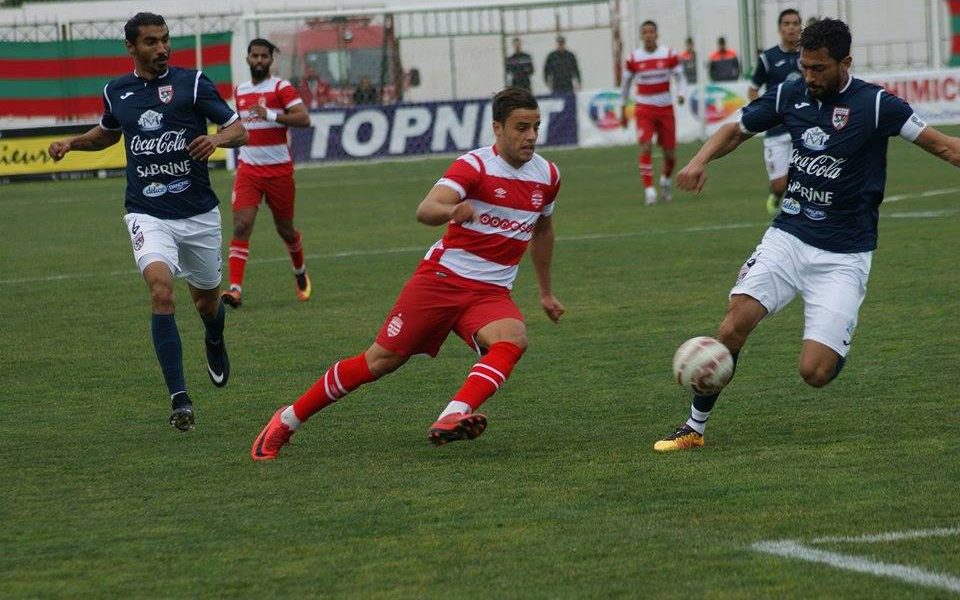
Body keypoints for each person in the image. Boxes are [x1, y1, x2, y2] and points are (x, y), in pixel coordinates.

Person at [653, 18, 960, 452]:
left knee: (815, 373)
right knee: (734, 323)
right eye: (804, 67)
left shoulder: (876, 106)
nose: (809, 77)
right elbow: (735, 129)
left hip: (845, 255)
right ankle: (693, 428)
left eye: (818, 68)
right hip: (789, 235)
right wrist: (699, 161)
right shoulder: (790, 92)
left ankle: (836, 332)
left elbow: (945, 146)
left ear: (844, 62)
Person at [251, 87, 565, 460]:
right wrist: (452, 211)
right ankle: (286, 420)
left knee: (513, 338)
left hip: (490, 293)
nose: (530, 136)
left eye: (535, 127)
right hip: (441, 281)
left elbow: (543, 231)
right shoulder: (474, 167)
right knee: (379, 362)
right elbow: (426, 208)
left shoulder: (547, 175)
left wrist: (545, 292)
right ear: (497, 128)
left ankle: (453, 415)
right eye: (521, 127)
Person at [47, 12, 247, 431]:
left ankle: (214, 336)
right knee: (161, 291)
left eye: (165, 40)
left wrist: (216, 138)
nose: (162, 48)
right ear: (131, 47)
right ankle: (180, 399)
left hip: (198, 214)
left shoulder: (192, 83)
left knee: (206, 303)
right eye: (152, 42)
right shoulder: (115, 91)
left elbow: (238, 129)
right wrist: (72, 142)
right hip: (146, 211)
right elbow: (107, 133)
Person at [222, 38, 313, 309]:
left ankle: (299, 272)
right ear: (247, 58)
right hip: (248, 169)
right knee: (241, 225)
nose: (259, 60)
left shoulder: (280, 87)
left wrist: (271, 115)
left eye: (264, 56)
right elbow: (235, 126)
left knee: (285, 229)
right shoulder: (240, 91)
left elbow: (303, 118)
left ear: (271, 60)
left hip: (278, 172)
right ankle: (235, 290)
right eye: (255, 56)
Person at [620, 20, 687, 206]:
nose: (648, 35)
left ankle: (665, 180)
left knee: (670, 154)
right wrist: (622, 108)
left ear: (656, 34)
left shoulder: (669, 54)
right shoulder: (633, 58)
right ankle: (649, 190)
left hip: (665, 108)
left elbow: (680, 77)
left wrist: (681, 93)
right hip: (644, 109)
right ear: (641, 36)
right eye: (645, 32)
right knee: (646, 146)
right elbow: (625, 85)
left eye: (651, 32)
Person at [749, 9, 802, 216]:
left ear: (801, 27)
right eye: (787, 24)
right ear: (780, 28)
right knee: (780, 185)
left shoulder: (809, 55)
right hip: (776, 130)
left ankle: (798, 215)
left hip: (802, 126)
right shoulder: (768, 58)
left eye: (795, 23)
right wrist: (764, 115)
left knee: (804, 177)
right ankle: (776, 194)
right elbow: (753, 89)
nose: (791, 28)